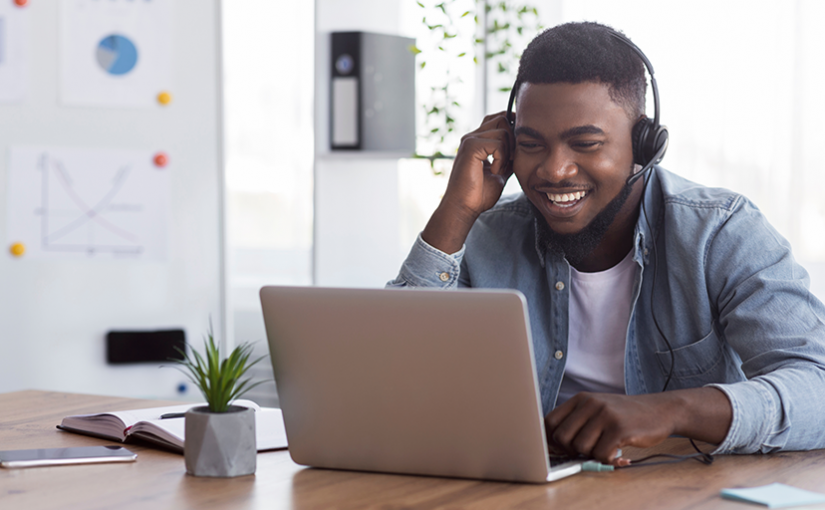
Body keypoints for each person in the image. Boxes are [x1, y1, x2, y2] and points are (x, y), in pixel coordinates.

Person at [388, 21, 825, 466]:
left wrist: (673, 410)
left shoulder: (720, 232)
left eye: (585, 143)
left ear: (644, 145)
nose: (554, 170)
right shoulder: (485, 234)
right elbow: (390, 381)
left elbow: (818, 386)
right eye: (531, 144)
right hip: (528, 483)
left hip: (677, 486)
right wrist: (456, 210)